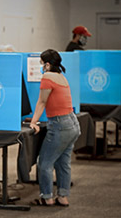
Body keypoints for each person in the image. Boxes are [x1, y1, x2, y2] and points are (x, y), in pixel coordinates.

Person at [30, 49, 80, 206]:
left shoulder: (47, 77)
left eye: (41, 63)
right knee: (63, 162)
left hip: (59, 125)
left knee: (44, 162)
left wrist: (33, 122)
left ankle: (47, 197)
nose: (40, 67)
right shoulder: (61, 77)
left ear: (47, 64)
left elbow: (42, 102)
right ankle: (62, 197)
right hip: (72, 123)